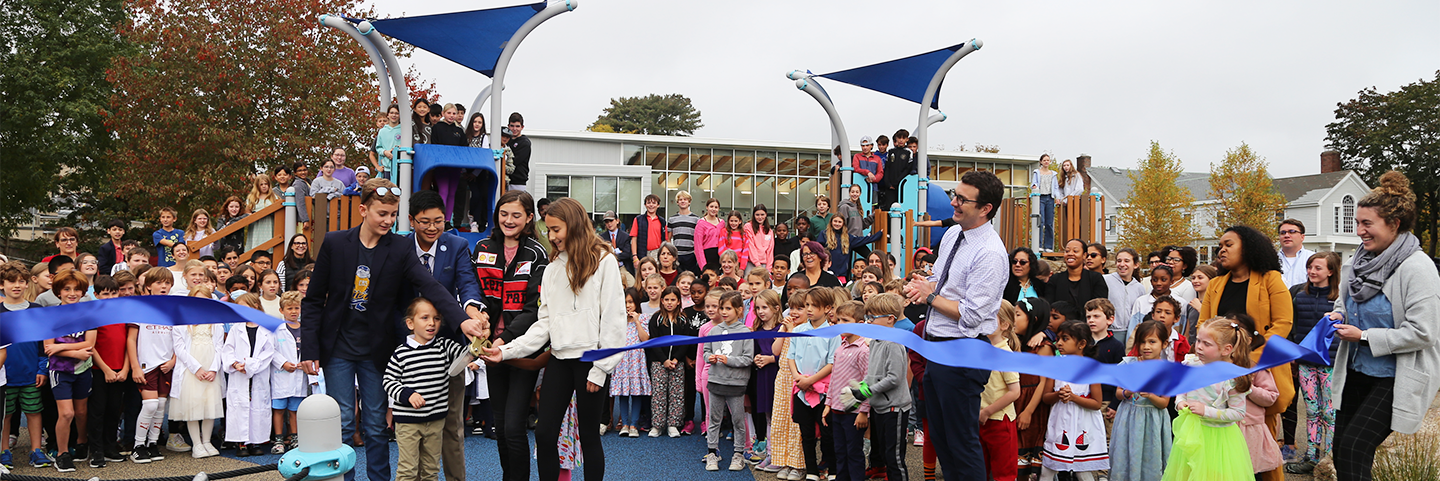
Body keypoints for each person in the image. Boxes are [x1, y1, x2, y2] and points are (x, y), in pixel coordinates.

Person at [299, 179, 483, 481]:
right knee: (344, 422)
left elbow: (430, 286)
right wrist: (310, 349)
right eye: (381, 213)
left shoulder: (399, 248)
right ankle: (342, 478)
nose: (387, 220)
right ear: (363, 210)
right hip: (338, 349)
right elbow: (314, 300)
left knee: (374, 423)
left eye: (393, 214)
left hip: (377, 350)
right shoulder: (334, 243)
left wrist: (462, 318)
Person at [480, 197, 625, 481]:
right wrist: (506, 351)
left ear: (573, 225)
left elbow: (614, 320)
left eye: (556, 229)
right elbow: (543, 325)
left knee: (589, 437)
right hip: (559, 359)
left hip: (590, 362)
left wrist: (601, 369)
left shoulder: (605, 261)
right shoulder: (553, 267)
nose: (552, 236)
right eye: (549, 230)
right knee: (545, 434)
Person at [1326, 171, 1440, 479]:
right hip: (1356, 373)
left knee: (1354, 446)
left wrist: (1362, 336)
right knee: (1341, 451)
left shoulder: (1417, 268)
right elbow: (1345, 303)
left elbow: (1424, 332)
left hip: (1394, 377)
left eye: (1367, 223)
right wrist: (1338, 315)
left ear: (1394, 224)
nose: (1359, 230)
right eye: (1357, 222)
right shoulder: (1357, 262)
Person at [901, 170, 1009, 481]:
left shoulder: (990, 253)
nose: (953, 202)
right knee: (942, 440)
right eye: (955, 194)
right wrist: (926, 284)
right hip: (935, 349)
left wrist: (930, 296)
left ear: (985, 208)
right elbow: (945, 284)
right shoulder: (953, 234)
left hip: (963, 352)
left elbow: (973, 316)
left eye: (962, 199)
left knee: (962, 444)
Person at [1201, 225, 1293, 481]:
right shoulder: (1215, 285)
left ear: (1248, 247)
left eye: (1228, 244)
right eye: (1220, 246)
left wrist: (1248, 357)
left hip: (1259, 370)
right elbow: (1204, 324)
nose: (1222, 250)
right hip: (1220, 374)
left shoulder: (1270, 279)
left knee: (1263, 445)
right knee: (1222, 442)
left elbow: (1283, 323)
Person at [408, 188, 487, 481]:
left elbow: (467, 283)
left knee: (452, 424)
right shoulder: (400, 247)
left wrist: (472, 309)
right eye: (424, 221)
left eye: (438, 221)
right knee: (412, 425)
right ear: (411, 220)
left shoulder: (455, 245)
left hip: (449, 348)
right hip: (410, 351)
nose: (432, 228)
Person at [473, 189, 548, 481]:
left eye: (516, 215)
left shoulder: (536, 252)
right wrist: (479, 320)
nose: (509, 220)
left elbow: (534, 308)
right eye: (504, 213)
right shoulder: (481, 248)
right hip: (490, 347)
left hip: (522, 348)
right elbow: (474, 291)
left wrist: (506, 340)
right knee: (501, 427)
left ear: (529, 217)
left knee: (515, 426)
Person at [1162, 317, 1261, 480]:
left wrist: (1206, 411)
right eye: (1198, 341)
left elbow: (1238, 413)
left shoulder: (1232, 378)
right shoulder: (1191, 365)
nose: (1199, 347)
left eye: (1206, 344)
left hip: (1218, 441)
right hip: (1192, 435)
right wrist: (1180, 401)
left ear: (1226, 349)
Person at [383, 298, 471, 481]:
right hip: (408, 422)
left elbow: (466, 354)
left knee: (431, 470)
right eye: (424, 318)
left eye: (437, 318)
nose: (431, 323)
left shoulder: (444, 347)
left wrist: (476, 346)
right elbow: (389, 380)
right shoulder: (401, 352)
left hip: (435, 421)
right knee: (408, 469)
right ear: (410, 323)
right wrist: (407, 394)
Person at [1283, 251, 1341, 474]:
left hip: (1331, 362)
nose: (1311, 272)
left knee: (1329, 412)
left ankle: (1329, 459)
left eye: (1317, 268)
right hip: (1306, 362)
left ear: (1330, 271)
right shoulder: (1299, 295)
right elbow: (1292, 327)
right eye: (1309, 267)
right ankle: (1311, 456)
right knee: (1312, 411)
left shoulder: (1339, 300)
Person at [1037, 320, 1109, 480]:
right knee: (1048, 470)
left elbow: (1097, 403)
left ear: (1082, 344)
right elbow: (1046, 398)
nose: (1059, 343)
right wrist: (1059, 395)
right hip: (1060, 424)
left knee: (1082, 472)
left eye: (1065, 339)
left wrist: (1074, 397)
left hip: (1083, 426)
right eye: (1058, 338)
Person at [1, 261, 52, 469]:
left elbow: (43, 344)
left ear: (27, 284)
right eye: (11, 281)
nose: (16, 285)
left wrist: (42, 369)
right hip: (5, 376)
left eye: (21, 281)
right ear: (2, 284)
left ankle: (36, 451)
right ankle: (4, 450)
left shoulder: (36, 310)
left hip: (32, 373)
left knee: (34, 412)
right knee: (6, 415)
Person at [45, 271, 96, 473]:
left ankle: (82, 443)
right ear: (58, 291)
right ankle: (62, 454)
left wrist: (60, 348)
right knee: (67, 413)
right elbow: (49, 347)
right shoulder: (50, 315)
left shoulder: (89, 314)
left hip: (83, 370)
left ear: (83, 291)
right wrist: (73, 352)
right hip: (59, 370)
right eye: (67, 289)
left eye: (76, 289)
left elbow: (90, 343)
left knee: (82, 412)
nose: (72, 293)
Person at [788, 287, 841, 479]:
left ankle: (833, 470)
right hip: (801, 388)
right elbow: (791, 357)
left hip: (823, 390)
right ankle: (811, 471)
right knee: (806, 432)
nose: (809, 309)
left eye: (814, 306)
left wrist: (812, 379)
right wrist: (799, 378)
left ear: (827, 308)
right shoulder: (799, 330)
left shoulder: (833, 332)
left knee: (828, 433)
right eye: (807, 305)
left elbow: (832, 363)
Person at [1110, 320, 1173, 481]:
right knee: (1125, 453)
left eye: (1152, 342)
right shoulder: (1128, 365)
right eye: (1142, 342)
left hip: (1153, 421)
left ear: (1164, 343)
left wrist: (1151, 395)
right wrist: (1128, 391)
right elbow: (1118, 393)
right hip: (1128, 418)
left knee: (1150, 456)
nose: (1146, 346)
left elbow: (1164, 403)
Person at [700, 291, 753, 472]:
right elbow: (706, 351)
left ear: (739, 310)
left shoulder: (745, 332)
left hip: (736, 384)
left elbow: (748, 359)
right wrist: (711, 358)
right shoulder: (714, 330)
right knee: (714, 419)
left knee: (738, 420)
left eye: (728, 308)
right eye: (721, 308)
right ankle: (712, 453)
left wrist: (727, 360)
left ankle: (738, 454)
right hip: (716, 381)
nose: (723, 311)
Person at [129, 267, 175, 464]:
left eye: (167, 283)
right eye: (158, 282)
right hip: (147, 364)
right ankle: (138, 446)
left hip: (167, 364)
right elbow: (131, 340)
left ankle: (152, 444)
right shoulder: (139, 307)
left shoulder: (174, 309)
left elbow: (179, 338)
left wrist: (173, 360)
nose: (163, 286)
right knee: (150, 405)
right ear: (148, 286)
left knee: (161, 406)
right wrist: (135, 367)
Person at [169, 293, 224, 459]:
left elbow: (220, 347)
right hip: (191, 370)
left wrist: (213, 369)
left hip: (211, 369)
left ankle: (206, 441)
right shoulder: (181, 323)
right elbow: (179, 349)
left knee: (209, 404)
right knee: (192, 406)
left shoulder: (216, 323)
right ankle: (197, 444)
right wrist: (197, 368)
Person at [85, 275, 131, 468]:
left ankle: (110, 445)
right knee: (97, 411)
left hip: (120, 370)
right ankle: (96, 449)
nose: (110, 297)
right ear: (96, 294)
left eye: (114, 293)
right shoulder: (93, 314)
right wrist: (105, 369)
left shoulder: (123, 314)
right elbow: (91, 346)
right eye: (105, 294)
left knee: (114, 410)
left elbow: (130, 343)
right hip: (99, 370)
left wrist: (125, 369)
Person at [222, 293, 275, 456]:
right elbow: (228, 349)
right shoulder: (236, 329)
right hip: (239, 374)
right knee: (240, 407)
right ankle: (241, 443)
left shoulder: (266, 329)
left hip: (257, 374)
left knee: (257, 408)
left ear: (256, 306)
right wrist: (235, 364)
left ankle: (255, 442)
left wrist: (250, 365)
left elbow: (269, 352)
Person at [647, 286, 693, 438]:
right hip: (659, 362)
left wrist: (675, 359)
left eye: (673, 300)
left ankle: (673, 424)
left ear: (679, 301)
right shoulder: (656, 318)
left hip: (677, 363)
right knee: (659, 393)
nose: (669, 303)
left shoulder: (683, 319)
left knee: (677, 393)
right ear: (662, 300)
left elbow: (685, 342)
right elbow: (654, 341)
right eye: (666, 299)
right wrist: (664, 360)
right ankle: (657, 425)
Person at [269, 291, 307, 455]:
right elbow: (270, 350)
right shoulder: (276, 329)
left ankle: (294, 437)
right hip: (281, 375)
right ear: (281, 310)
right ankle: (278, 439)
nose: (293, 312)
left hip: (299, 374)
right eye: (289, 308)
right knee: (278, 409)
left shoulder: (305, 329)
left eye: (296, 308)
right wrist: (282, 363)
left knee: (295, 410)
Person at [612, 288, 653, 438]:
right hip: (622, 360)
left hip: (636, 360)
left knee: (636, 393)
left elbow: (645, 339)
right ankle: (624, 424)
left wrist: (636, 321)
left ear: (636, 303)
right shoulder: (618, 320)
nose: (627, 305)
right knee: (622, 393)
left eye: (630, 302)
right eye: (624, 302)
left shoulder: (643, 318)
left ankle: (634, 424)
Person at [1045, 238, 1109, 308]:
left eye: (1075, 251)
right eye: (1067, 251)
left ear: (1084, 255)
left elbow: (1100, 306)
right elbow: (1049, 306)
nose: (1070, 254)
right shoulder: (1055, 279)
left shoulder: (1095, 278)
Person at [1104, 247, 1146, 348]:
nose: (1122, 264)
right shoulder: (1105, 280)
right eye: (1119, 261)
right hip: (1108, 330)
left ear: (1136, 264)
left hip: (1130, 333)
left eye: (1127, 261)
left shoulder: (1139, 288)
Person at [1030, 154, 1058, 252]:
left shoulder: (1053, 174)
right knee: (1040, 221)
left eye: (1048, 160)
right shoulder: (1037, 172)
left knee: (1049, 223)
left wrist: (1057, 197)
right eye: (1044, 160)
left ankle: (1048, 246)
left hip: (1050, 197)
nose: (1046, 162)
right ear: (1041, 162)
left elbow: (1055, 188)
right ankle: (1039, 245)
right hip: (1040, 197)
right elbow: (1034, 183)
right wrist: (1034, 187)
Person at [668, 191, 701, 274]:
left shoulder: (696, 219)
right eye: (680, 199)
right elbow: (668, 238)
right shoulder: (672, 219)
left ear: (689, 202)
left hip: (691, 254)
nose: (683, 201)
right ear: (677, 202)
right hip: (677, 255)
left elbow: (699, 238)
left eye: (685, 199)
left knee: (691, 277)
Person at [1276, 219, 1315, 288]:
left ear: (1302, 237)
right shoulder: (1271, 260)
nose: (1287, 235)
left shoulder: (1313, 258)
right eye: (1283, 232)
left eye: (1292, 232)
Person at [272, 165, 311, 234]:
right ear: (275, 177)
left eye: (285, 174)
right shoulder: (273, 192)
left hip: (293, 220)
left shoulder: (294, 188)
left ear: (290, 176)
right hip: (277, 220)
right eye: (279, 175)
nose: (282, 177)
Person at [631, 194, 668, 263]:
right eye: (648, 203)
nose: (651, 205)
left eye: (654, 203)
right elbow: (634, 239)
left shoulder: (662, 221)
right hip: (642, 253)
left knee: (656, 273)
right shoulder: (638, 219)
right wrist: (635, 256)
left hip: (657, 253)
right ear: (645, 205)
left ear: (658, 205)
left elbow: (665, 240)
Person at [245, 174, 278, 251]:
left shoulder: (274, 197)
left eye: (266, 184)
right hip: (256, 226)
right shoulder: (252, 198)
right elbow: (247, 212)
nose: (264, 186)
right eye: (261, 184)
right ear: (257, 186)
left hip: (269, 225)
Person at [694, 198, 725, 271]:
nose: (713, 209)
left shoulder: (722, 223)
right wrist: (703, 265)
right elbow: (698, 246)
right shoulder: (701, 223)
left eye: (716, 207)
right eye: (711, 206)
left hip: (720, 255)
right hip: (707, 255)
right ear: (707, 207)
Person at [851, 136, 883, 203]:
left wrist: (873, 179)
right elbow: (856, 168)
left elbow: (880, 172)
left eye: (867, 145)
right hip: (859, 187)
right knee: (859, 205)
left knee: (873, 207)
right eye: (863, 146)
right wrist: (867, 172)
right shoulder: (857, 156)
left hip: (873, 187)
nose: (865, 147)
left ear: (871, 146)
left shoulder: (877, 158)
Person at [505, 113, 531, 191]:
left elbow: (514, 161)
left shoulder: (524, 143)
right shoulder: (506, 141)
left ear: (522, 127)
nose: (514, 129)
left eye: (517, 126)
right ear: (508, 126)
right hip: (504, 180)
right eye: (512, 126)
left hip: (517, 182)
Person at [376, 105, 403, 181]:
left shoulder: (404, 129)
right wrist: (385, 152)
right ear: (388, 115)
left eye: (397, 113)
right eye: (391, 113)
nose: (394, 115)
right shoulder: (382, 131)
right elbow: (378, 147)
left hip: (401, 167)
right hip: (387, 168)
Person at [744, 204, 774, 270]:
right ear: (754, 215)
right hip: (751, 263)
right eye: (757, 215)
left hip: (765, 264)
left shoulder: (769, 231)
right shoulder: (748, 226)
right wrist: (757, 264)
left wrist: (769, 268)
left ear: (766, 215)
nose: (760, 217)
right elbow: (750, 246)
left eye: (762, 214)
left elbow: (770, 250)